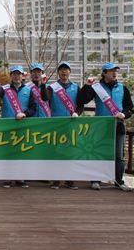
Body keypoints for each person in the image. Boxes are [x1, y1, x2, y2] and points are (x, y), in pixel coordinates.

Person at [77, 62, 133, 192]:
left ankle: (119, 181)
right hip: (100, 126)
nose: (114, 73)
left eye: (115, 71)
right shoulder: (96, 88)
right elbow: (82, 100)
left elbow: (129, 106)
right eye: (110, 71)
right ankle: (95, 180)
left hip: (118, 126)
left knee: (118, 155)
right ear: (104, 73)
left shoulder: (122, 88)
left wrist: (124, 114)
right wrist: (87, 86)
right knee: (98, 153)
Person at [0, 65, 36, 189]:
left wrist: (25, 114)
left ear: (23, 76)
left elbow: (33, 108)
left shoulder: (28, 90)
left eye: (19, 74)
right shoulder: (4, 89)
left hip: (22, 125)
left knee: (22, 151)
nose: (17, 76)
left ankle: (21, 178)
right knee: (8, 152)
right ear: (11, 76)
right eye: (14, 74)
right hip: (7, 126)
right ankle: (7, 178)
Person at [42, 61, 81, 190]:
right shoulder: (52, 87)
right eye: (62, 69)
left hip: (72, 123)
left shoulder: (76, 87)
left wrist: (77, 112)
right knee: (57, 151)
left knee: (71, 151)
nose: (64, 72)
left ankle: (70, 179)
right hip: (56, 124)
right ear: (58, 72)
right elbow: (45, 98)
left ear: (70, 72)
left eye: (66, 69)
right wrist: (43, 85)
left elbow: (80, 104)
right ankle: (56, 179)